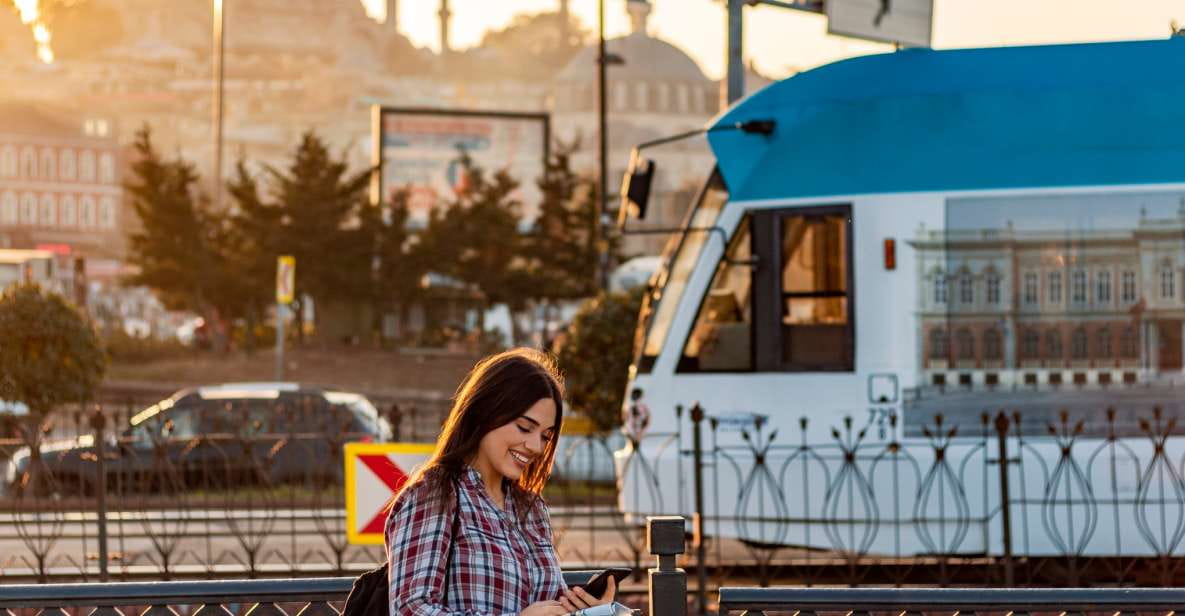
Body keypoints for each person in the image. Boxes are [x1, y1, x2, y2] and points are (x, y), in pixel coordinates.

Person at [385, 348, 617, 616]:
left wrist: (589, 611)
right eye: (524, 427)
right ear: (485, 412)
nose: (536, 446)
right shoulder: (436, 494)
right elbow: (410, 609)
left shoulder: (531, 508)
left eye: (545, 436)